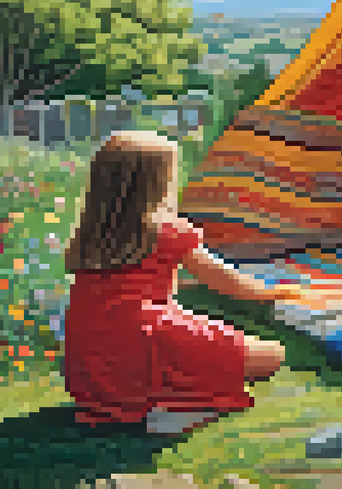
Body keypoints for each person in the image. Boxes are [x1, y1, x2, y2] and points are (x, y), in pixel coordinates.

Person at [64, 131, 311, 436]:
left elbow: (132, 284)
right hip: (148, 340)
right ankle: (183, 409)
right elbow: (228, 282)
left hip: (94, 372)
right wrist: (274, 291)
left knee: (198, 340)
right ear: (155, 184)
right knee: (272, 355)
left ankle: (158, 398)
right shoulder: (168, 231)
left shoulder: (92, 235)